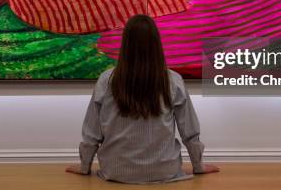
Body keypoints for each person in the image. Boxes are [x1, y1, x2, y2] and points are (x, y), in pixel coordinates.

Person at [66, 14, 219, 184]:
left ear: (125, 45)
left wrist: (84, 166)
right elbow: (189, 130)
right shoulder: (173, 80)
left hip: (116, 172)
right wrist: (198, 166)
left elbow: (92, 132)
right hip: (165, 171)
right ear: (156, 45)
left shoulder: (107, 80)